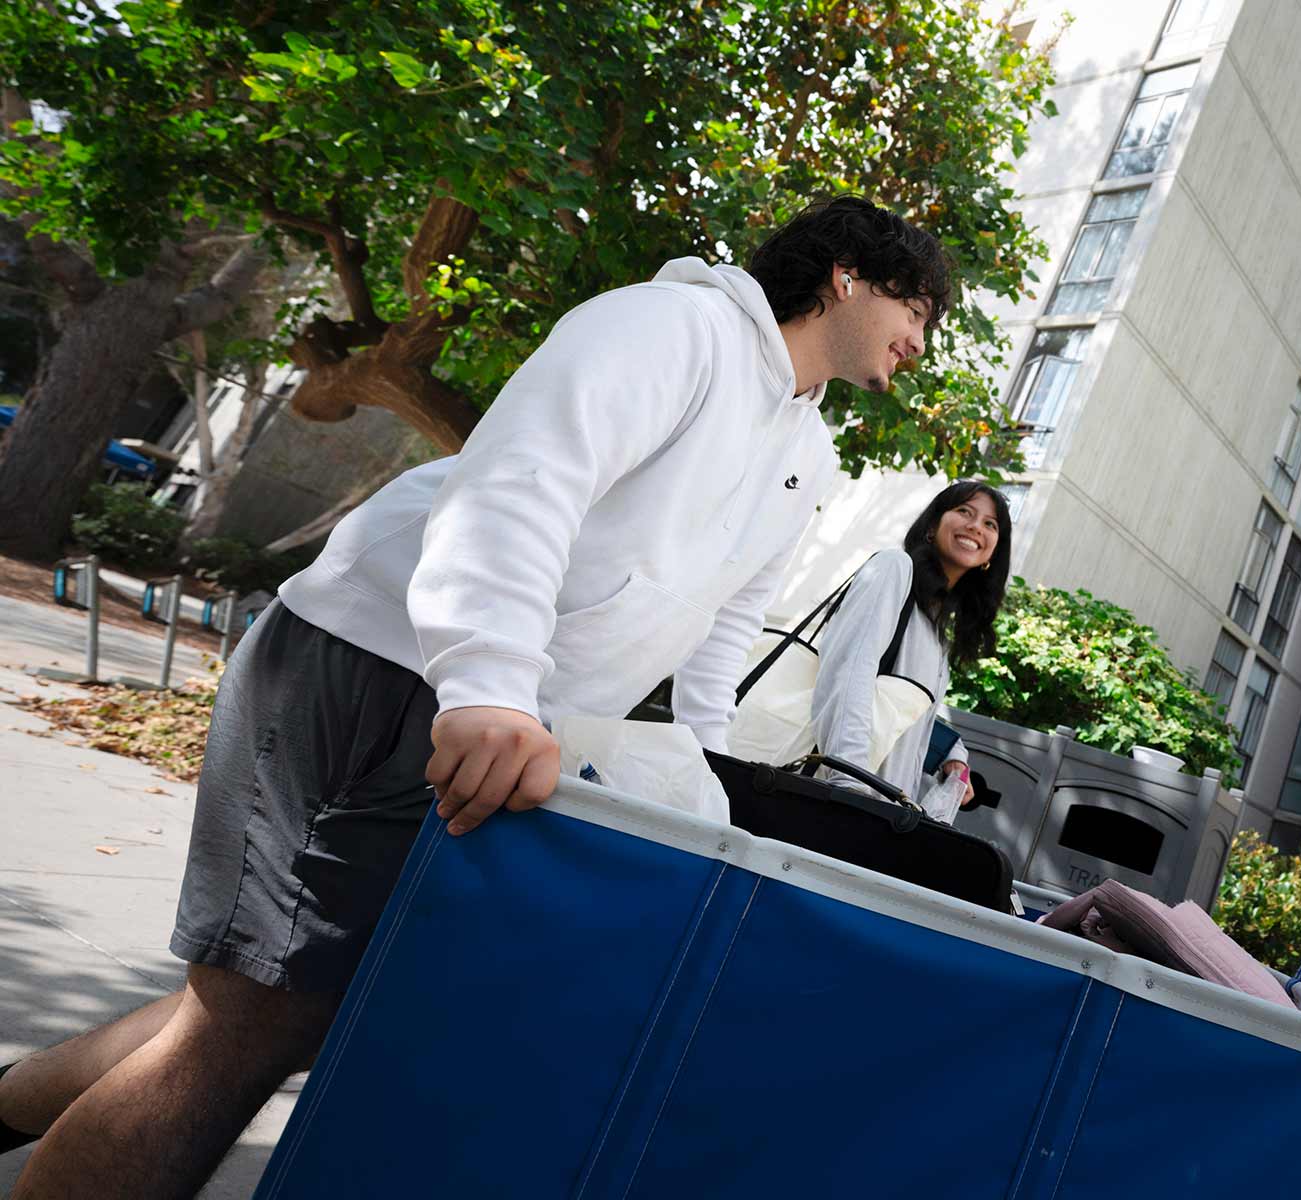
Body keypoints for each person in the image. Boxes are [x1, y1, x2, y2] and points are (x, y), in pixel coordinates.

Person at [0, 195, 951, 1197]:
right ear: (846, 273)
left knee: (273, 1010)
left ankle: (10, 1099)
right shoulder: (680, 328)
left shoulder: (805, 454)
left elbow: (717, 639)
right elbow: (523, 480)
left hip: (485, 720)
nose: (919, 342)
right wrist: (491, 684)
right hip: (378, 664)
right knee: (251, 1022)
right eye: (918, 309)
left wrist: (701, 789)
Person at [808, 480, 1010, 821]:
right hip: (836, 800)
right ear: (932, 525)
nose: (976, 526)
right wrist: (849, 783)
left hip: (882, 814)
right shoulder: (893, 569)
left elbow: (900, 714)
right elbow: (849, 673)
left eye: (990, 524)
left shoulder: (937, 627)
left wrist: (949, 753)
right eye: (964, 511)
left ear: (992, 553)